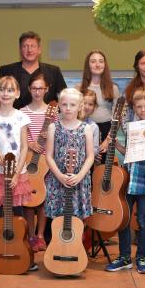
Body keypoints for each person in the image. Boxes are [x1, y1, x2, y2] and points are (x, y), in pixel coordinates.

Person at [105, 89, 145, 274]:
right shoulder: (132, 128)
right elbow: (129, 154)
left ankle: (141, 257)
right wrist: (116, 145)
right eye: (139, 106)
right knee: (124, 219)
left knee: (144, 221)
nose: (143, 109)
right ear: (134, 108)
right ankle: (124, 257)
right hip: (128, 180)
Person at [0, 76, 34, 274]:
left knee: (18, 217)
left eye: (10, 90)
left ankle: (22, 253)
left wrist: (18, 174)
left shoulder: (21, 117)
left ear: (17, 93)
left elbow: (26, 147)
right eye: (2, 89)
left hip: (17, 174)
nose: (5, 93)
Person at [44, 88, 95, 262]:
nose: (68, 108)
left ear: (80, 106)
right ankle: (57, 248)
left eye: (72, 105)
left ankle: (75, 249)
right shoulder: (53, 127)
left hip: (78, 181)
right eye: (64, 104)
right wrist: (59, 176)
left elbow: (90, 157)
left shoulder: (86, 128)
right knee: (58, 219)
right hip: (58, 181)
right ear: (58, 105)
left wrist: (79, 175)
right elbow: (49, 155)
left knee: (77, 219)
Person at [21, 72, 55, 252]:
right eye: (33, 88)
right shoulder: (22, 112)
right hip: (28, 160)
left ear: (46, 89)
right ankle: (30, 235)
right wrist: (30, 143)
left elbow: (58, 135)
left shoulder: (52, 112)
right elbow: (20, 137)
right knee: (28, 200)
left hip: (45, 163)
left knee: (42, 200)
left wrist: (48, 137)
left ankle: (40, 236)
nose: (37, 92)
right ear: (29, 89)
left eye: (40, 88)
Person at [0, 31, 67, 109]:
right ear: (20, 50)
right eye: (25, 46)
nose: (29, 50)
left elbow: (64, 98)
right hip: (12, 119)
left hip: (46, 120)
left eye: (33, 46)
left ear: (39, 50)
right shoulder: (6, 71)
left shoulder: (54, 72)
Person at [76, 50, 120, 142]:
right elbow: (74, 115)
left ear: (105, 64)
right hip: (84, 131)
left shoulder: (113, 88)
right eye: (93, 61)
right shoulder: (78, 88)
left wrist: (108, 140)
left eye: (101, 61)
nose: (97, 64)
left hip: (107, 132)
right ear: (88, 65)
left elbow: (117, 118)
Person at [79, 90, 101, 162]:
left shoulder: (94, 127)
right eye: (84, 103)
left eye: (90, 104)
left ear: (94, 107)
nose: (87, 107)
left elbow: (95, 149)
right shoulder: (69, 121)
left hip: (85, 164)